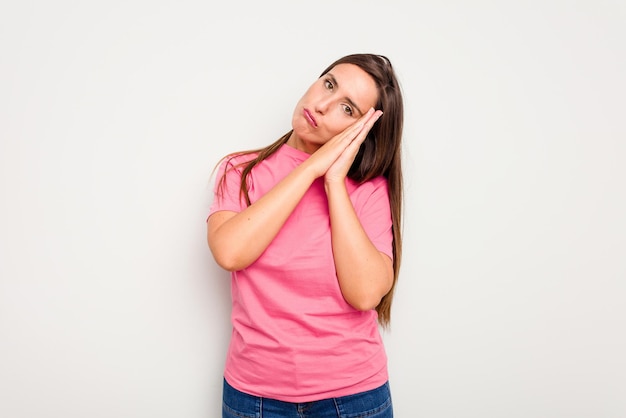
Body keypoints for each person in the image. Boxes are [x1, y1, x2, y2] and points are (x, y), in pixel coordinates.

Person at [207, 53, 404, 417]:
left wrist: (333, 182)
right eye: (328, 83)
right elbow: (229, 253)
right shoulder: (240, 170)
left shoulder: (367, 190)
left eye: (348, 109)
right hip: (255, 397)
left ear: (362, 132)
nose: (323, 104)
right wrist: (312, 167)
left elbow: (365, 295)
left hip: (353, 397)